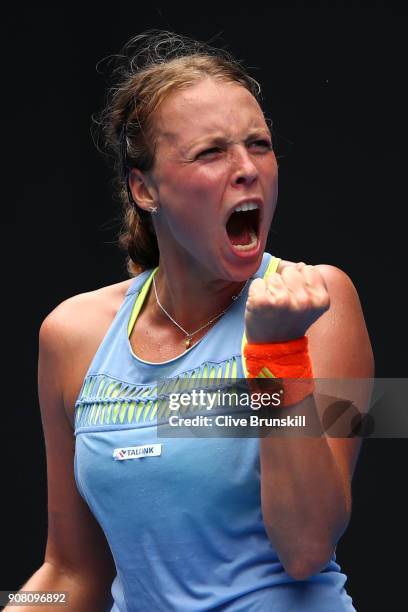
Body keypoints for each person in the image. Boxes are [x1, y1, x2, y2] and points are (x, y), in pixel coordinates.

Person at [11, 30, 373, 611]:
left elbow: (306, 544)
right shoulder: (71, 333)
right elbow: (70, 572)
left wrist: (277, 354)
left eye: (259, 144)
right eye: (211, 152)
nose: (247, 168)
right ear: (144, 188)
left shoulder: (321, 301)